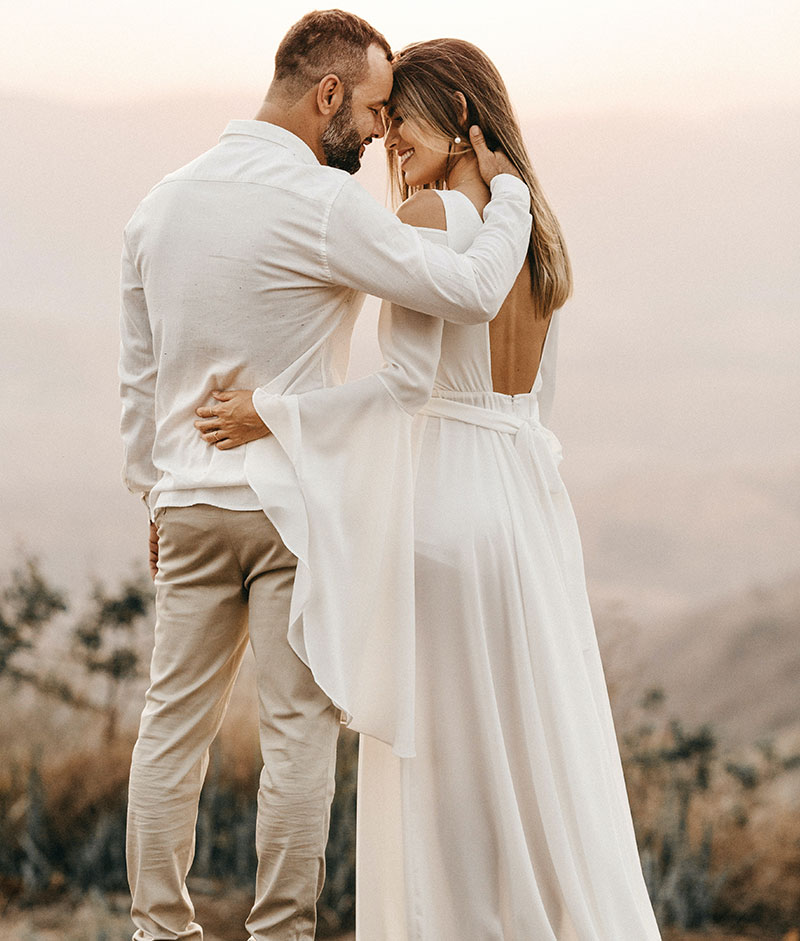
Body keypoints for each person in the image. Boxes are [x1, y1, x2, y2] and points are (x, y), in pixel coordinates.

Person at [199, 38, 662, 940]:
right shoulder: (533, 236)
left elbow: (406, 390)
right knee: (532, 758)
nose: (386, 145)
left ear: (456, 117)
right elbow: (532, 404)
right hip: (529, 512)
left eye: (397, 118)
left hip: (445, 507)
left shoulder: (426, 222)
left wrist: (275, 416)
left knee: (441, 767)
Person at [118, 10, 533, 941]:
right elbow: (464, 290)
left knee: (168, 727)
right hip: (291, 507)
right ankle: (278, 933)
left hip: (185, 503)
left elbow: (137, 373)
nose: (381, 132)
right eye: (377, 108)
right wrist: (509, 198)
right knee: (296, 733)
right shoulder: (324, 205)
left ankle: (157, 928)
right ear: (329, 95)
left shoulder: (159, 203)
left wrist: (152, 488)